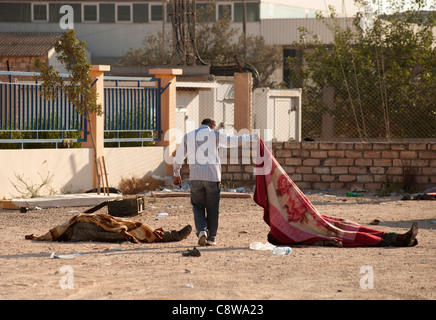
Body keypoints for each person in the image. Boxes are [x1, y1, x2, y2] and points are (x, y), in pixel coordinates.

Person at [254, 139, 419, 247]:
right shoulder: (286, 233)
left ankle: (395, 237)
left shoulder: (283, 229)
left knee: (348, 227)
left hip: (319, 221)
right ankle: (396, 238)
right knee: (345, 232)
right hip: (318, 225)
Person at [173, 118, 258, 246]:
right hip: (212, 177)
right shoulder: (215, 134)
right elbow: (232, 141)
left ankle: (202, 231)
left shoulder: (188, 136)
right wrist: (252, 136)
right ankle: (211, 238)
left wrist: (176, 174)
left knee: (198, 206)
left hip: (195, 177)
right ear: (212, 125)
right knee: (213, 208)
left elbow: (178, 157)